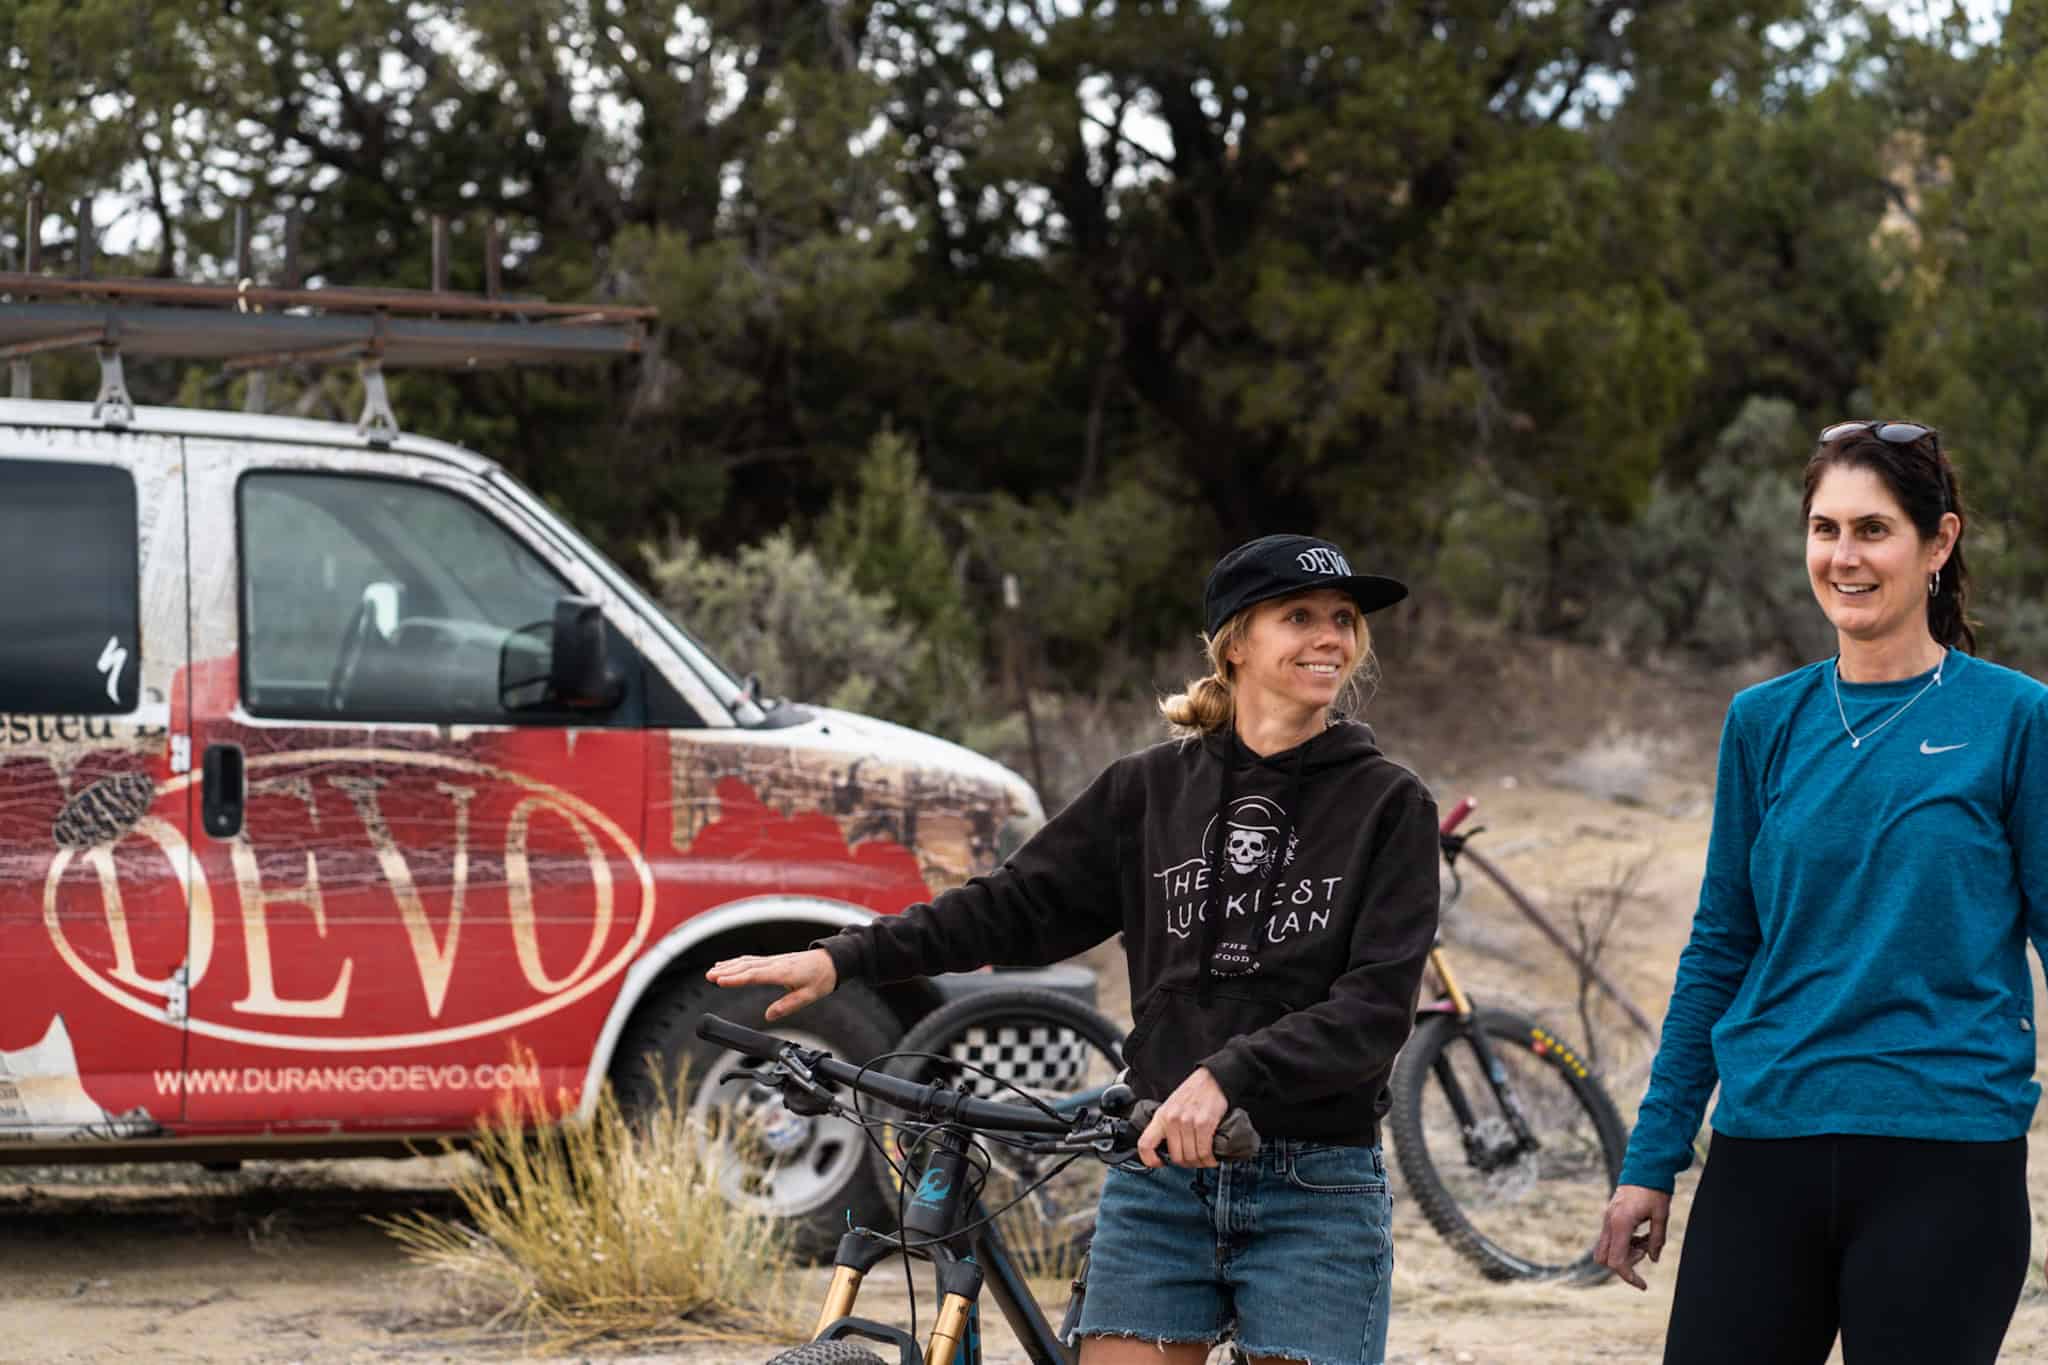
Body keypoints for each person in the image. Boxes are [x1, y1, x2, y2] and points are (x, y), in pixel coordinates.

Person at [708, 533, 1440, 1365]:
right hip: (1159, 1175)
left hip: (1314, 1185)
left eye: (1343, 619)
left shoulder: (1389, 803)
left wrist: (1227, 1075)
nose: (1330, 637)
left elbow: (1374, 1010)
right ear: (1235, 641)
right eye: (1299, 616)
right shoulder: (1148, 790)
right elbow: (1012, 906)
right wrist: (844, 957)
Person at [1594, 420, 2046, 1363]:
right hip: (1765, 1144)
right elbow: (1721, 946)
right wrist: (1652, 1158)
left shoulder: (2014, 718)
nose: (1844, 556)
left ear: (1939, 542)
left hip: (1946, 1154)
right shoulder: (1763, 721)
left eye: (1873, 529)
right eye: (1825, 528)